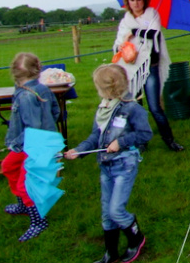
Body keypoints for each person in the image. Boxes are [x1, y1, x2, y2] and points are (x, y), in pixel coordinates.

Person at [65, 64, 153, 263]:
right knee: (107, 213)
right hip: (106, 166)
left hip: (125, 165)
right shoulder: (103, 107)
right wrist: (79, 150)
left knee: (116, 211)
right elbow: (95, 136)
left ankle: (136, 238)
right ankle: (110, 253)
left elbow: (145, 133)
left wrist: (121, 142)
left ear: (107, 88)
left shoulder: (133, 109)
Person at [114, 0, 183, 151]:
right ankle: (139, 141)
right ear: (128, 2)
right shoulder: (125, 21)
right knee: (135, 107)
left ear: (144, 1)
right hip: (132, 69)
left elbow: (154, 33)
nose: (136, 3)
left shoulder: (152, 14)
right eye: (132, 0)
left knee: (155, 107)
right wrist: (122, 46)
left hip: (150, 66)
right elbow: (118, 43)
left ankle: (169, 141)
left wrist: (135, 32)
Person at [2, 52, 60, 242]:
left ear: (14, 73)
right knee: (9, 166)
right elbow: (56, 111)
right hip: (28, 143)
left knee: (26, 184)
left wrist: (17, 143)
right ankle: (22, 205)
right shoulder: (39, 89)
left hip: (34, 144)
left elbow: (33, 127)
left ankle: (39, 221)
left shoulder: (27, 95)